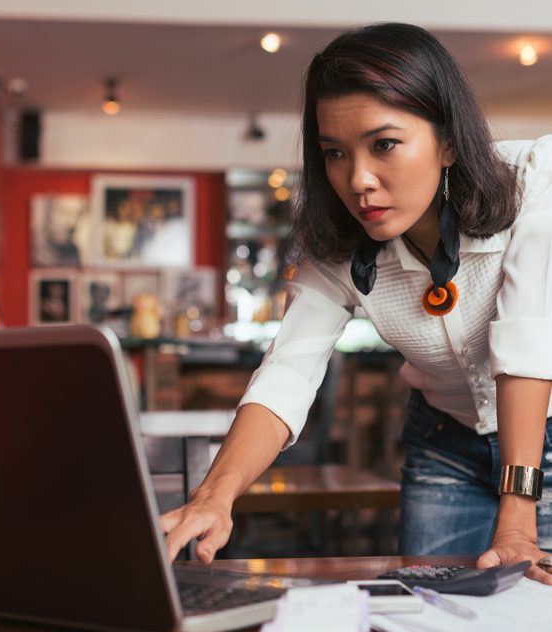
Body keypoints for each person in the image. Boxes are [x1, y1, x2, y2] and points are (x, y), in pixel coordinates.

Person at [161, 22, 552, 585]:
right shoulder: (337, 244)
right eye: (335, 153)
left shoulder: (532, 182)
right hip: (444, 446)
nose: (358, 179)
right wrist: (213, 497)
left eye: (384, 144)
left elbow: (528, 340)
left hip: (545, 439)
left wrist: (517, 515)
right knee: (431, 615)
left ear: (447, 140)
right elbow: (287, 373)